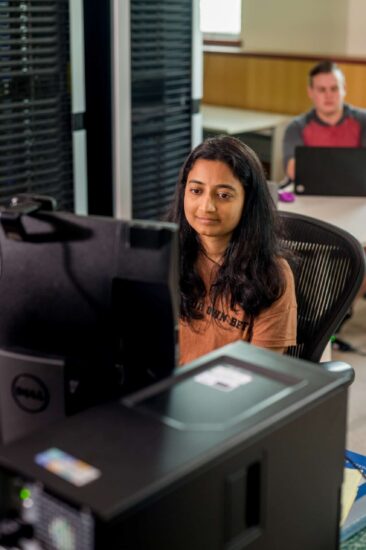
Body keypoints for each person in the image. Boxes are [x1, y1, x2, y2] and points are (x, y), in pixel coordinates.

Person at [166, 135, 297, 366]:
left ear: (248, 202)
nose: (207, 206)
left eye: (224, 195)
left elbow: (261, 374)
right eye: (196, 191)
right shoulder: (165, 254)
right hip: (163, 390)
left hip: (229, 395)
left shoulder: (270, 275)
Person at [283, 60, 366, 181]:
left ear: (344, 89)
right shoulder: (296, 127)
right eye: (322, 90)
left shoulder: (363, 121)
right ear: (310, 92)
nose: (328, 95)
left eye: (334, 88)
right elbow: (293, 170)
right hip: (311, 193)